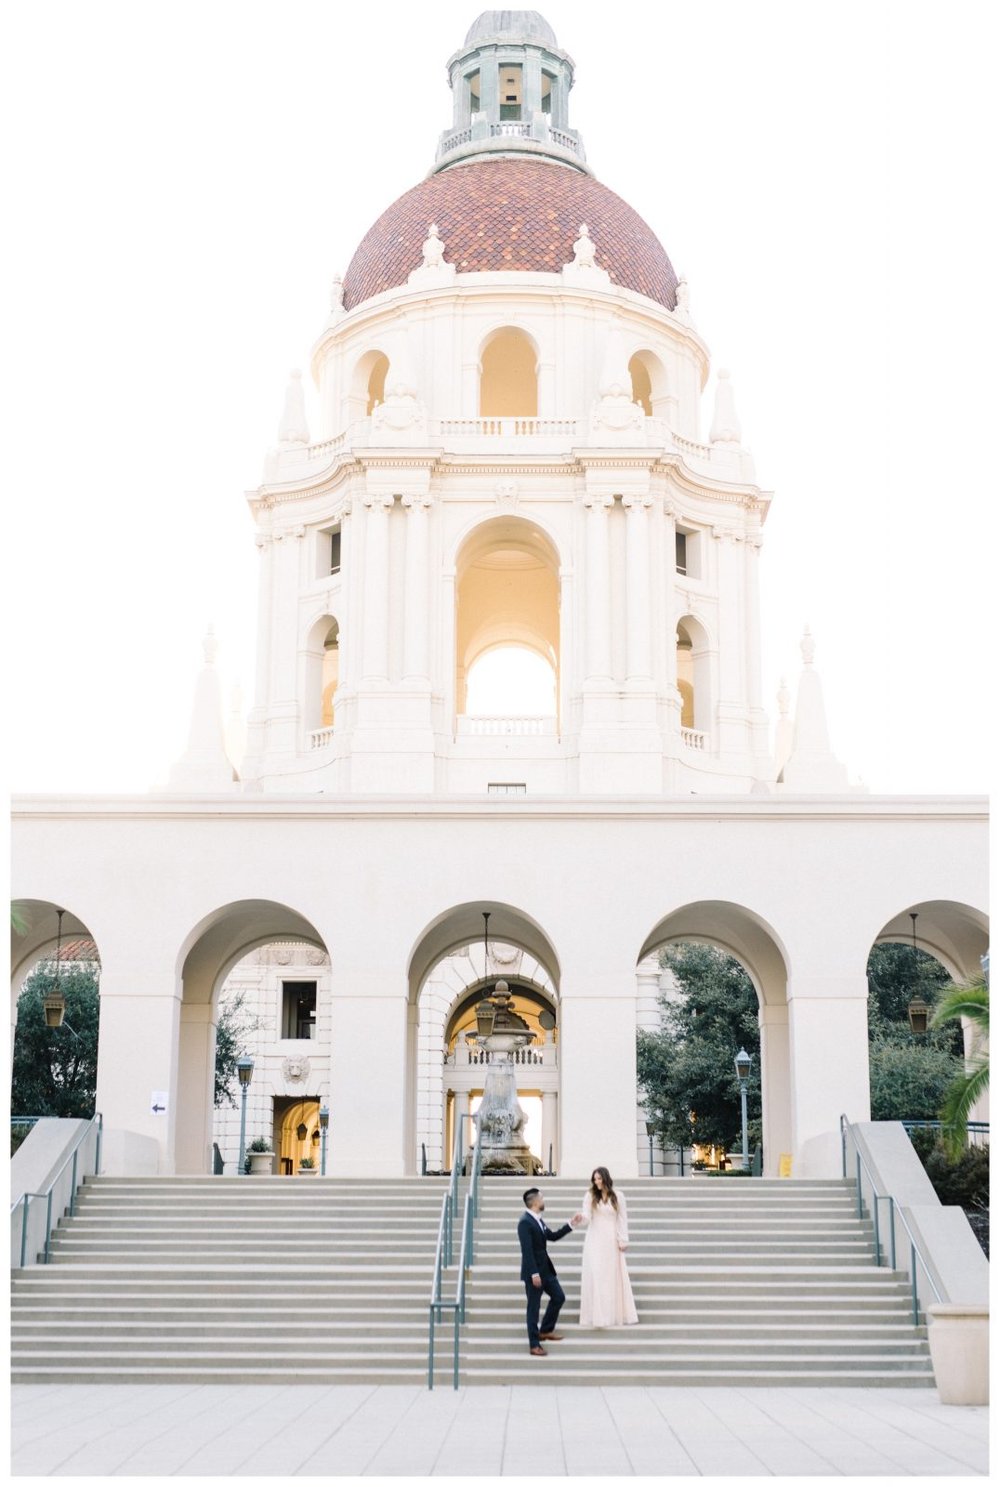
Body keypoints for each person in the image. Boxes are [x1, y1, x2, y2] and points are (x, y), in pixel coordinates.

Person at [517, 1187, 584, 1357]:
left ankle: (545, 1330)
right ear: (535, 1202)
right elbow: (527, 1251)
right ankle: (534, 1344)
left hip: (546, 1270)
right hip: (535, 1274)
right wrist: (533, 1274)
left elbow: (552, 1236)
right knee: (533, 1307)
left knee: (559, 1297)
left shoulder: (538, 1220)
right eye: (542, 1198)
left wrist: (571, 1224)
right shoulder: (525, 1222)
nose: (544, 1200)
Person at [577, 1166, 638, 1328]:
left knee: (610, 1277)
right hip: (595, 1239)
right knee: (596, 1275)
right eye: (595, 1179)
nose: (597, 1182)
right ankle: (597, 1316)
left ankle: (611, 1315)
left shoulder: (618, 1196)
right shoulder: (590, 1196)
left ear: (605, 1178)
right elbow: (587, 1218)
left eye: (599, 1178)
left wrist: (623, 1239)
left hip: (611, 1240)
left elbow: (622, 1219)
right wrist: (579, 1219)